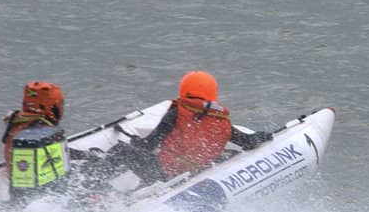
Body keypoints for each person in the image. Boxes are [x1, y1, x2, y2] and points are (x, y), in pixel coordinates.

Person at [111, 71, 272, 184]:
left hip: (163, 173)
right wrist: (263, 135)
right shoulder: (221, 119)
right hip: (194, 171)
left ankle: (93, 184)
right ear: (212, 93)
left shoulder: (176, 113)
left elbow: (149, 145)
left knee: (120, 150)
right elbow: (248, 142)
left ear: (184, 89)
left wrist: (136, 142)